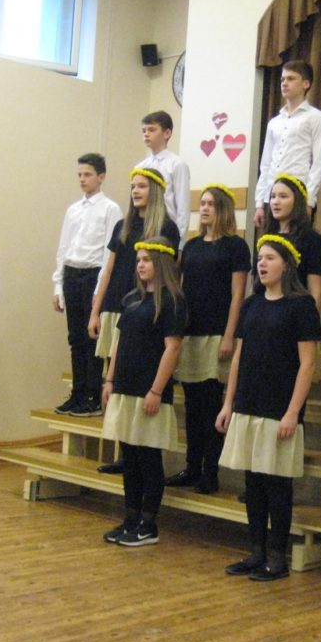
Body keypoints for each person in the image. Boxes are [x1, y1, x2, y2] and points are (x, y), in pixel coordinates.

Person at [217, 234, 321, 581]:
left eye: (270, 258)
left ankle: (277, 557)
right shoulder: (251, 305)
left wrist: (293, 412)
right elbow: (239, 358)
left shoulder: (301, 306)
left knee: (277, 484)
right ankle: (256, 551)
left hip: (279, 407)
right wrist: (228, 403)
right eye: (259, 258)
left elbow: (307, 364)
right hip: (249, 403)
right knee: (253, 482)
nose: (261, 264)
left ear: (286, 265)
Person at [89, 168, 180, 474]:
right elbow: (109, 269)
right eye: (133, 186)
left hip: (147, 306)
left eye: (142, 186)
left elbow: (170, 269)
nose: (135, 191)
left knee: (138, 375)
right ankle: (124, 450)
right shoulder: (123, 225)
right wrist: (96, 309)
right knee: (116, 378)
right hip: (120, 303)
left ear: (155, 190)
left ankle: (139, 453)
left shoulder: (166, 227)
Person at [101, 237, 186, 547]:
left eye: (147, 260)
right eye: (138, 260)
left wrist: (156, 390)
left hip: (149, 390)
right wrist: (109, 380)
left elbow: (172, 348)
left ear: (160, 263)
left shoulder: (171, 301)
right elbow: (119, 342)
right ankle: (130, 518)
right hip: (125, 387)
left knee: (148, 459)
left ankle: (148, 524)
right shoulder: (131, 299)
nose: (140, 265)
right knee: (130, 458)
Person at [165, 185, 249, 494]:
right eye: (202, 203)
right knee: (192, 404)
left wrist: (229, 335)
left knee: (212, 404)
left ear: (223, 208)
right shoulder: (191, 246)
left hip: (216, 333)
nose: (205, 208)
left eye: (211, 204)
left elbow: (237, 294)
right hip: (192, 332)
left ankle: (210, 471)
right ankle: (191, 466)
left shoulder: (235, 246)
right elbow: (181, 289)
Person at [52, 153, 122, 418]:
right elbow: (63, 248)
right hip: (72, 273)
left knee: (92, 336)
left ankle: (92, 395)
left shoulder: (110, 209)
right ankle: (78, 392)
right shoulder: (73, 210)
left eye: (88, 174)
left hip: (94, 274)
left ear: (101, 177)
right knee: (75, 338)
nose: (82, 179)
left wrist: (99, 290)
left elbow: (108, 252)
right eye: (80, 175)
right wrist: (58, 285)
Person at [253, 61, 321, 227]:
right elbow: (266, 164)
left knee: (296, 240)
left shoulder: (316, 118)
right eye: (282, 79)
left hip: (298, 196)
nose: (284, 83)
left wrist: (309, 200)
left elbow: (319, 163)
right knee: (271, 241)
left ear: (305, 84)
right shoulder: (274, 122)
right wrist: (259, 202)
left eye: (291, 78)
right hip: (271, 196)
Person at [258, 174, 321, 312]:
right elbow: (257, 285)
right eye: (273, 197)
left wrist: (308, 320)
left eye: (283, 196)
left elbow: (315, 293)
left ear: (297, 202)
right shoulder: (266, 238)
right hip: (265, 312)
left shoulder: (312, 240)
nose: (276, 202)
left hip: (295, 313)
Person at [136, 111, 191, 247]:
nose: (146, 134)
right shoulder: (140, 167)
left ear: (167, 133)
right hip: (143, 229)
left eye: (152, 130)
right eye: (144, 131)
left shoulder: (177, 164)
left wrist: (180, 244)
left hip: (166, 230)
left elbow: (182, 207)